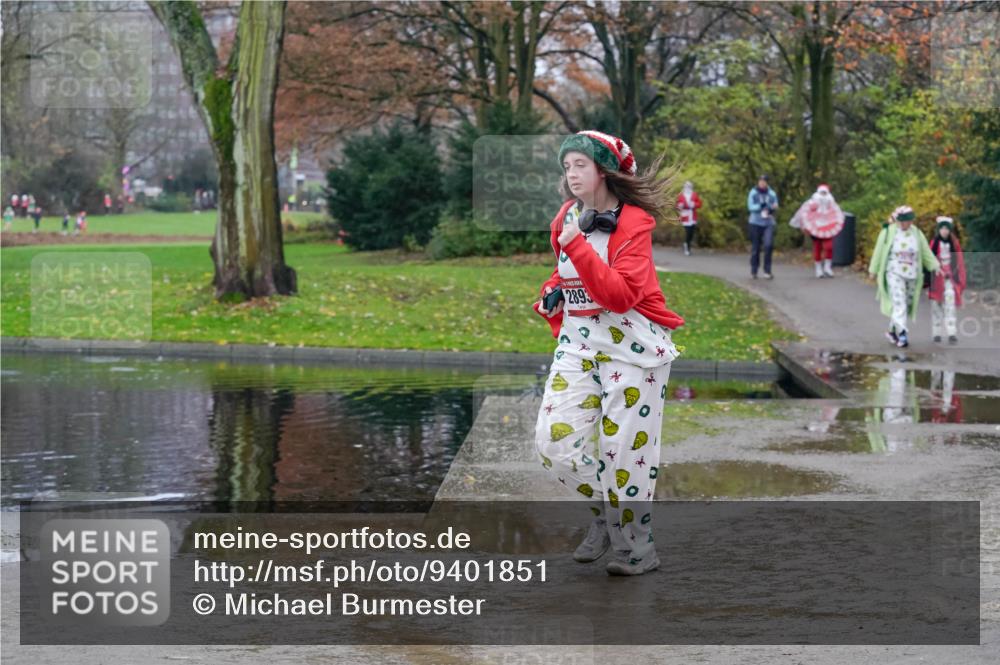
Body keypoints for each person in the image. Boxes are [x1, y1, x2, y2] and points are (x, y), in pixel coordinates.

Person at [533, 130, 685, 576]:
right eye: (567, 166)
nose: (571, 174)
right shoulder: (566, 216)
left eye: (580, 164)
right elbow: (564, 272)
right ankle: (605, 514)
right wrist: (552, 292)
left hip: (632, 350)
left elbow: (619, 297)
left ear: (604, 170)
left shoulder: (635, 223)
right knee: (553, 443)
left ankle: (636, 549)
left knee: (624, 456)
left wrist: (577, 245)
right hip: (578, 345)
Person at [867, 205, 940, 348]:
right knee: (899, 302)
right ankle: (902, 334)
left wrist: (935, 266)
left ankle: (892, 331)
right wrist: (873, 270)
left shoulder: (917, 233)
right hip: (894, 272)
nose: (904, 224)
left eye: (907, 221)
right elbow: (878, 251)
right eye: (901, 221)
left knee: (904, 305)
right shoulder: (888, 232)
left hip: (912, 275)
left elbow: (926, 252)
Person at [790, 184, 845, 278]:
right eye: (821, 193)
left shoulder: (832, 204)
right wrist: (804, 226)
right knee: (818, 247)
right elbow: (804, 214)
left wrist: (837, 223)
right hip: (816, 229)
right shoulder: (811, 203)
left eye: (825, 193)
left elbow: (837, 215)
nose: (823, 195)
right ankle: (818, 269)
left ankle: (827, 267)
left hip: (828, 228)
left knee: (829, 247)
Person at [928, 216, 966, 345]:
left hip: (950, 278)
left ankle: (951, 332)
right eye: (942, 228)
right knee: (936, 305)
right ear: (938, 230)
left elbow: (959, 261)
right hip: (937, 278)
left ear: (950, 230)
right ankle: (937, 332)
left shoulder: (954, 244)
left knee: (950, 305)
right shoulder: (934, 243)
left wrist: (957, 275)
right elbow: (929, 260)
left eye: (946, 229)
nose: (944, 231)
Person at [747, 174, 778, 279]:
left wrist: (772, 208)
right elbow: (750, 207)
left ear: (767, 183)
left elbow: (775, 205)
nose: (762, 183)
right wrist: (760, 206)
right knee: (756, 247)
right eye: (760, 181)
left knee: (768, 245)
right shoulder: (753, 192)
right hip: (755, 222)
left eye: (764, 181)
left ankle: (767, 271)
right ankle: (754, 270)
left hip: (768, 222)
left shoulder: (772, 193)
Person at [675, 180, 702, 256]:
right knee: (688, 232)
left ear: (691, 187)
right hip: (685, 215)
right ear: (684, 187)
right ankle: (687, 247)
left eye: (689, 186)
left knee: (691, 233)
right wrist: (679, 205)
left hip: (692, 216)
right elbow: (676, 204)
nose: (688, 188)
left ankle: (687, 245)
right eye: (686, 186)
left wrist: (694, 204)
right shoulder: (681, 195)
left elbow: (699, 204)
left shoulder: (694, 194)